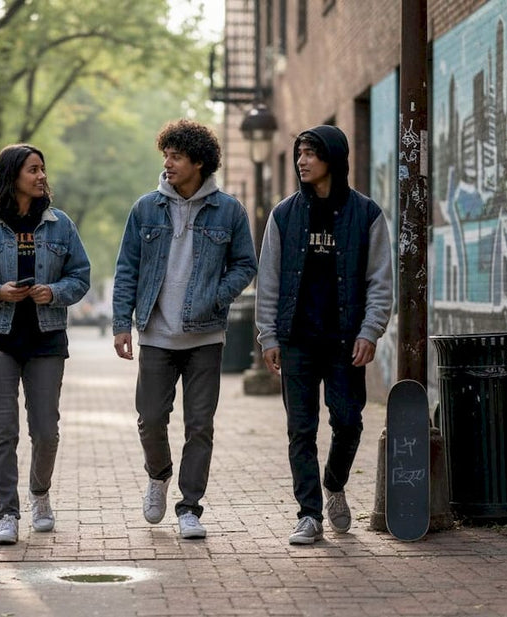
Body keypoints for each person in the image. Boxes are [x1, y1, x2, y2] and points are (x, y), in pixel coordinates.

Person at [112, 119, 257, 540]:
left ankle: (190, 506)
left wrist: (217, 294)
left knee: (200, 425)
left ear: (198, 161)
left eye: (176, 156)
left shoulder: (228, 210)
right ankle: (158, 476)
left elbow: (245, 264)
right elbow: (127, 268)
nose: (168, 163)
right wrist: (122, 323)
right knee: (150, 419)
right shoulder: (145, 208)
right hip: (156, 333)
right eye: (166, 155)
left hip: (205, 336)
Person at [254, 125, 393, 545]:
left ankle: (334, 483)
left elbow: (380, 281)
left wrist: (371, 330)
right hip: (296, 339)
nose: (302, 161)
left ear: (332, 158)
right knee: (301, 428)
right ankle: (309, 514)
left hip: (345, 341)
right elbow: (270, 279)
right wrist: (268, 336)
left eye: (311, 153)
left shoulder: (366, 214)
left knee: (349, 422)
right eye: (299, 153)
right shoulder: (284, 214)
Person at [0, 144, 91, 546]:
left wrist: (55, 292)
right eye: (33, 169)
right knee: (3, 430)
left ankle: (40, 494)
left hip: (47, 338)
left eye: (43, 169)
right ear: (12, 175)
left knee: (46, 430)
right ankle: (7, 513)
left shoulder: (60, 225)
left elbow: (80, 276)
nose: (41, 176)